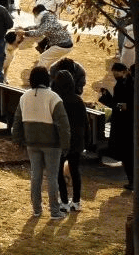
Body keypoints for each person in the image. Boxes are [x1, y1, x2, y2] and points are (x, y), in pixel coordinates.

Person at [13, 65, 70, 219]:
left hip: (31, 142)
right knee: (52, 177)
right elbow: (63, 124)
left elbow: (17, 120)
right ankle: (54, 211)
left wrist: (17, 139)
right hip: (52, 144)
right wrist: (66, 144)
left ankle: (37, 210)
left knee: (35, 176)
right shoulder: (54, 97)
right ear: (47, 79)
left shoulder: (24, 97)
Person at [51, 70, 86, 213]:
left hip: (61, 140)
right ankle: (76, 201)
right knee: (75, 170)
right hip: (77, 140)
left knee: (59, 172)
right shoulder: (78, 100)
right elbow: (85, 122)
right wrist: (86, 141)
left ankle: (64, 201)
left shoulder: (56, 100)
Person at [98, 62, 134, 190]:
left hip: (126, 125)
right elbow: (118, 104)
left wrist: (114, 103)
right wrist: (108, 98)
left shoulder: (129, 84)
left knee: (128, 155)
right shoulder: (122, 83)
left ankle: (132, 181)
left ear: (124, 71)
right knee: (127, 155)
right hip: (122, 123)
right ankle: (132, 181)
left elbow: (123, 105)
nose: (115, 75)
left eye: (116, 73)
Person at [27, 3, 74, 68]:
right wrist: (26, 29)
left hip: (62, 46)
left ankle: (39, 75)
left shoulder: (47, 20)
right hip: (67, 44)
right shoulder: (49, 16)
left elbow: (38, 33)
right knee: (50, 63)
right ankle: (47, 74)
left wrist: (24, 33)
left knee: (43, 58)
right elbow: (40, 26)